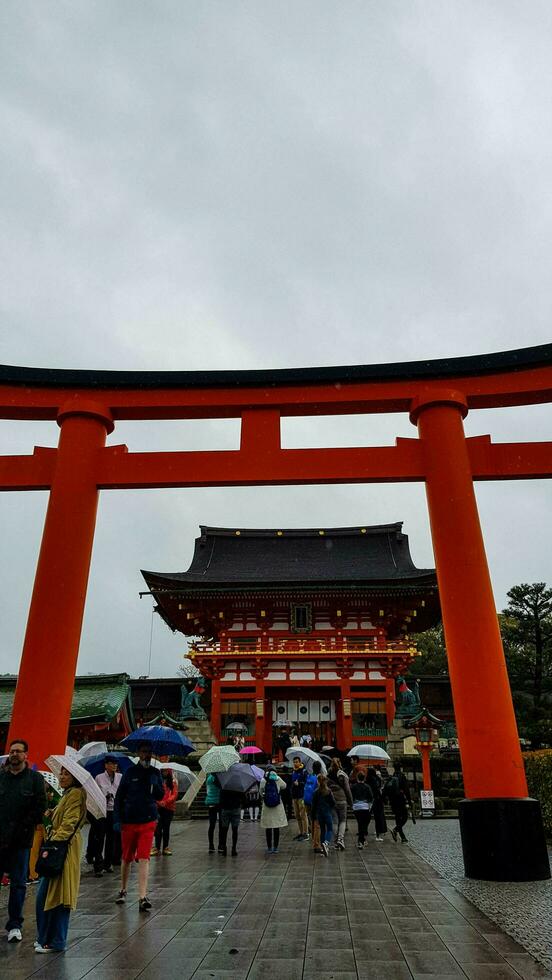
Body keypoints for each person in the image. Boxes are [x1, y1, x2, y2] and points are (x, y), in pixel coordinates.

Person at [34, 765, 87, 953]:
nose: (62, 776)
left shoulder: (75, 794)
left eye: (67, 774)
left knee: (59, 895)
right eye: (62, 773)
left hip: (64, 850)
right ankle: (45, 937)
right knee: (46, 894)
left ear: (75, 777)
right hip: (59, 847)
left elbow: (69, 824)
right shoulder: (67, 794)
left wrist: (53, 839)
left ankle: (56, 941)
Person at [0, 738, 46, 943]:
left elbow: (40, 807)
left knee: (18, 883)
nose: (14, 755)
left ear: (26, 755)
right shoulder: (1, 777)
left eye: (18, 751)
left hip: (21, 839)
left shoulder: (34, 780)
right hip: (0, 837)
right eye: (12, 751)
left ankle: (15, 924)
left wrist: (24, 825)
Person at [113, 741, 164, 911]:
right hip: (129, 820)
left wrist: (155, 783)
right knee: (127, 857)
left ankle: (142, 896)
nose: (147, 755)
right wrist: (117, 818)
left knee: (144, 857)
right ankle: (123, 888)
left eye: (149, 751)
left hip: (148, 819)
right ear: (138, 753)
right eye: (143, 751)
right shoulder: (130, 772)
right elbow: (120, 796)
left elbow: (160, 795)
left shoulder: (155, 772)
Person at [93, 756, 122, 874]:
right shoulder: (99, 778)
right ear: (106, 765)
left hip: (114, 810)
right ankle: (98, 865)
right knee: (100, 838)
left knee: (112, 838)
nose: (114, 765)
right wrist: (105, 796)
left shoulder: (120, 777)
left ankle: (108, 863)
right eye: (112, 763)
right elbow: (96, 794)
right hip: (102, 810)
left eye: (116, 763)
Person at [259, 765, 288, 853]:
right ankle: (275, 848)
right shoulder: (278, 779)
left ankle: (269, 848)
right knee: (276, 827)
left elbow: (261, 792)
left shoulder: (263, 780)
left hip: (267, 807)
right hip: (277, 806)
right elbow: (285, 786)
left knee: (268, 827)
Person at [327, 757, 353, 850]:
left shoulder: (328, 775)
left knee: (334, 821)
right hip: (342, 799)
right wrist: (351, 802)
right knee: (342, 820)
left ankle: (335, 841)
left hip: (332, 800)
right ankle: (340, 839)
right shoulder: (342, 775)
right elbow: (347, 789)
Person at [151, 769, 178, 856]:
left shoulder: (173, 783)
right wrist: (159, 802)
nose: (164, 773)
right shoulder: (157, 782)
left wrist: (166, 802)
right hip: (158, 808)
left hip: (169, 808)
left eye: (166, 771)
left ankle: (165, 847)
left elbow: (174, 795)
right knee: (158, 829)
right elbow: (153, 794)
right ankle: (157, 847)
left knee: (166, 828)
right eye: (163, 771)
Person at [217, 782, 245, 857]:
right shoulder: (239, 785)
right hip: (236, 809)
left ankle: (224, 848)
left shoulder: (224, 785)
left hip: (225, 809)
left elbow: (220, 798)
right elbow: (243, 798)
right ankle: (234, 848)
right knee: (235, 830)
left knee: (224, 830)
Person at [311, 774, 335, 858]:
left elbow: (313, 805)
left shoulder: (315, 792)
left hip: (319, 814)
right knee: (330, 829)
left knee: (322, 830)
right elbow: (333, 803)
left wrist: (313, 815)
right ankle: (326, 843)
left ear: (318, 782)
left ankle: (322, 848)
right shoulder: (328, 791)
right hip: (327, 812)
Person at [384, 766, 411, 843]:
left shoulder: (391, 778)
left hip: (393, 801)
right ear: (401, 769)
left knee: (398, 817)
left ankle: (402, 837)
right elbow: (406, 790)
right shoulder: (402, 777)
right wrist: (409, 801)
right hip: (400, 800)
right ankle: (396, 830)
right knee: (405, 816)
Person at [351, 771, 374, 848]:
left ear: (357, 778)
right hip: (365, 806)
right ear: (364, 778)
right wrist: (369, 805)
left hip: (356, 806)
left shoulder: (353, 786)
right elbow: (371, 797)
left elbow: (351, 796)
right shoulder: (367, 787)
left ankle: (362, 840)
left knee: (360, 823)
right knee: (364, 823)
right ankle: (360, 841)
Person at [303, 760, 322, 853]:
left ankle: (314, 840)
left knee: (311, 821)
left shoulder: (309, 776)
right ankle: (316, 844)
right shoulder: (319, 778)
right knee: (317, 823)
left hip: (307, 801)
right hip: (315, 803)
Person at [290, 756, 309, 841]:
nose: (295, 763)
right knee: (297, 815)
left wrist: (300, 783)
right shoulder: (293, 771)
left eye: (297, 762)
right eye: (294, 762)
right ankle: (301, 832)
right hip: (294, 795)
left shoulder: (304, 772)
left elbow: (306, 783)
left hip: (301, 795)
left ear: (300, 762)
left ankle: (306, 833)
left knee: (303, 815)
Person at [367, 767, 387, 841]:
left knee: (367, 817)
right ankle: (378, 835)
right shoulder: (376, 779)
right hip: (377, 800)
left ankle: (363, 831)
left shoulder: (367, 780)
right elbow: (378, 789)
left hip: (370, 800)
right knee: (378, 817)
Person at [205, 772, 221, 853]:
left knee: (212, 825)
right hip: (219, 802)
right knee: (221, 825)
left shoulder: (209, 777)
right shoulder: (219, 777)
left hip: (210, 802)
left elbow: (207, 790)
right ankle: (220, 844)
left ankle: (211, 845)